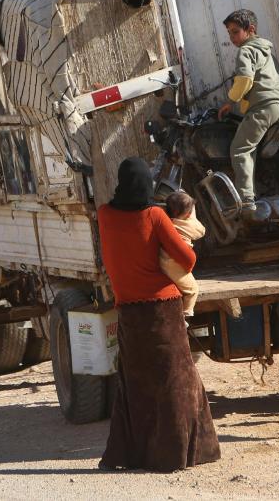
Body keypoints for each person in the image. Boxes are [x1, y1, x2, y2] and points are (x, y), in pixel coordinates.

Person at [97, 157, 220, 472]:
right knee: (177, 383)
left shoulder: (104, 215)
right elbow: (188, 260)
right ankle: (181, 453)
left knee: (136, 386)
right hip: (162, 312)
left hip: (128, 313)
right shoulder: (154, 215)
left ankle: (137, 455)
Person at [217, 9, 279, 214]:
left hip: (263, 108)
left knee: (240, 150)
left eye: (235, 32)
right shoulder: (266, 50)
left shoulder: (246, 51)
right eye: (229, 33)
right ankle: (273, 133)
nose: (232, 38)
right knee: (254, 140)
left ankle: (247, 202)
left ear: (250, 30)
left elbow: (245, 80)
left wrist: (230, 102)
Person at [159, 191, 205, 317]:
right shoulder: (186, 225)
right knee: (192, 290)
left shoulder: (165, 221)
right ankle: (186, 315)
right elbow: (201, 231)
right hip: (174, 264)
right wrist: (192, 213)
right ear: (189, 214)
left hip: (163, 260)